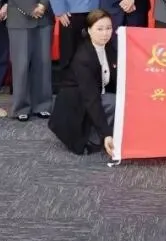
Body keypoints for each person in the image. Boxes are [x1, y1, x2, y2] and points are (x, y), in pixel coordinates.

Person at [48, 9, 118, 157]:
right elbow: (91, 99)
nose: (105, 33)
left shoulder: (109, 48)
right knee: (113, 102)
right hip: (76, 106)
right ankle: (99, 135)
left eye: (108, 28)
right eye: (100, 29)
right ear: (89, 30)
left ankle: (106, 133)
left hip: (95, 96)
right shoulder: (83, 57)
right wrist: (106, 134)